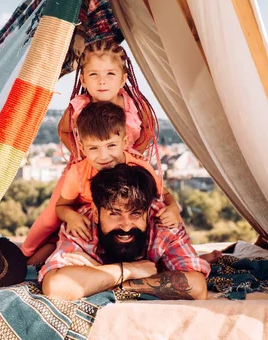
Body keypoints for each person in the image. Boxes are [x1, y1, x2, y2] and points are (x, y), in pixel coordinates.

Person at [22, 40, 174, 262]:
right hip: (86, 169)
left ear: (123, 79)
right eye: (94, 75)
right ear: (83, 79)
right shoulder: (78, 105)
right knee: (51, 217)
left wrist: (131, 152)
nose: (102, 81)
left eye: (110, 74)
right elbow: (63, 130)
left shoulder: (134, 106)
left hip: (125, 169)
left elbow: (149, 129)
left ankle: (162, 255)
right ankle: (27, 252)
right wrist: (81, 154)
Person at [26, 101, 181, 264]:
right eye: (93, 148)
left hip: (125, 226)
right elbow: (61, 206)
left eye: (111, 145)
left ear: (125, 141)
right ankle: (23, 264)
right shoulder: (78, 172)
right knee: (46, 251)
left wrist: (173, 208)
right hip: (88, 225)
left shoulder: (139, 167)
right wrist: (72, 217)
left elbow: (164, 195)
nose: (103, 156)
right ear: (82, 147)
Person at [40, 163, 210, 301]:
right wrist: (130, 270)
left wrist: (102, 276)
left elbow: (197, 287)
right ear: (97, 213)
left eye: (136, 214)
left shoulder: (163, 222)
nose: (126, 226)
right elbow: (56, 287)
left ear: (148, 211)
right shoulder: (82, 225)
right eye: (115, 214)